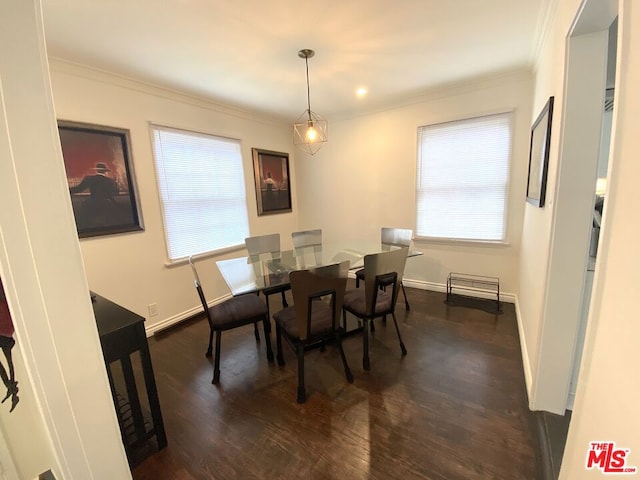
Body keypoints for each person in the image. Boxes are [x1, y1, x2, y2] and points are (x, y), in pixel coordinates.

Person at [69, 162, 119, 227]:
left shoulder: (89, 179)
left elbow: (79, 189)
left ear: (97, 170)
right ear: (105, 171)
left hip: (92, 203)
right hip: (105, 203)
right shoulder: (110, 181)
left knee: (88, 222)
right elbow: (115, 192)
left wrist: (67, 190)